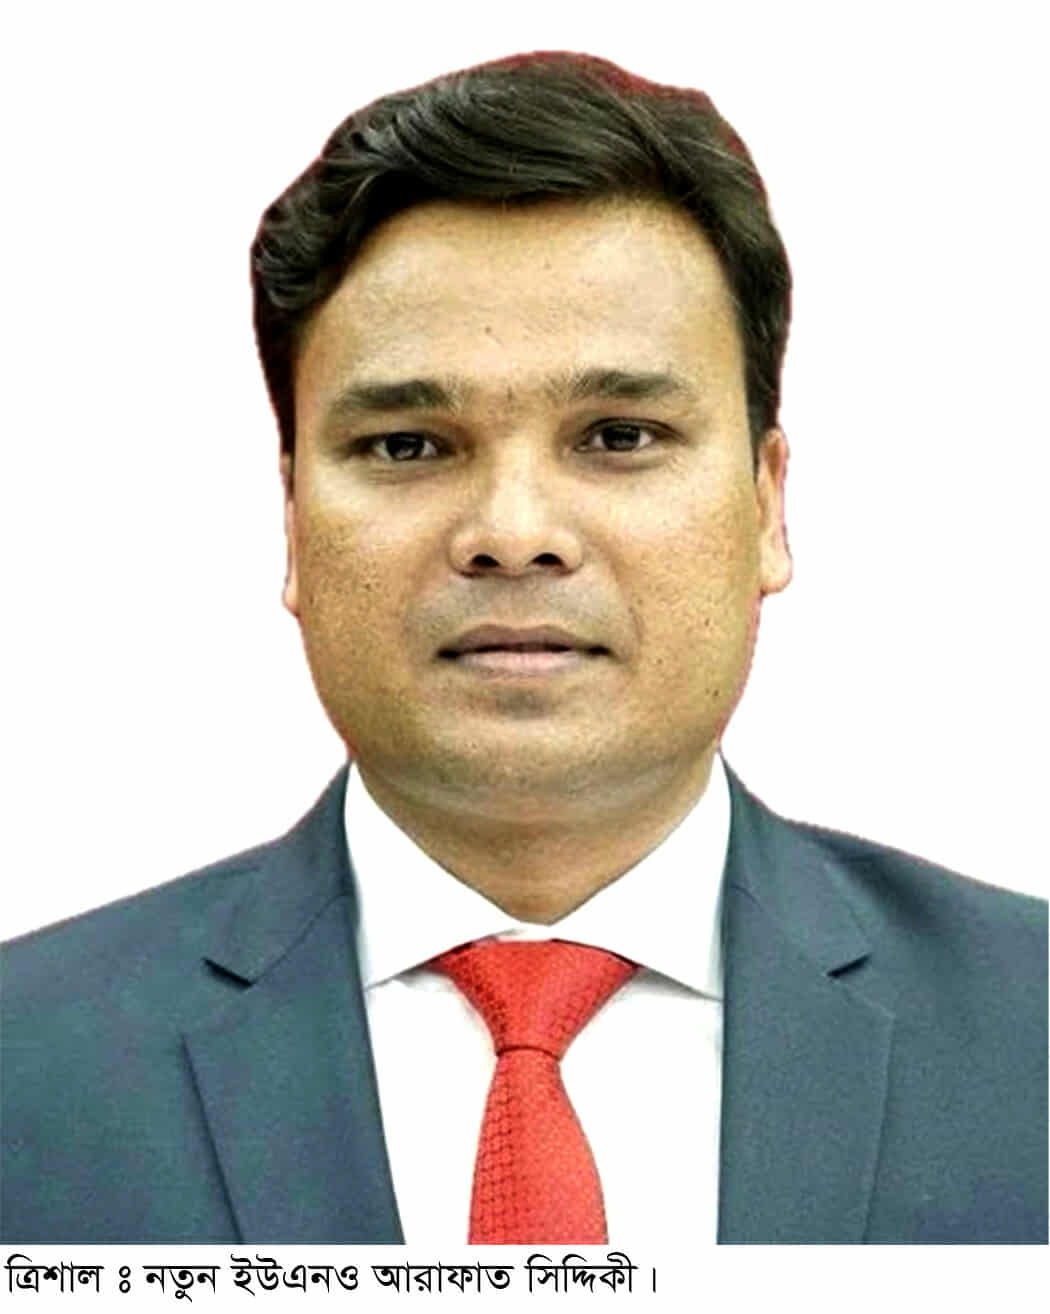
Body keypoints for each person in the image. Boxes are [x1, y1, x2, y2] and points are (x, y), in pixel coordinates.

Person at [1, 51, 1045, 1246]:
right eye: (407, 446)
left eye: (618, 435)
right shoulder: (28, 1070)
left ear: (767, 507)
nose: (511, 534)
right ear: (291, 522)